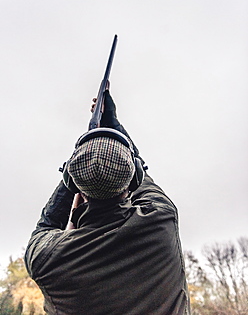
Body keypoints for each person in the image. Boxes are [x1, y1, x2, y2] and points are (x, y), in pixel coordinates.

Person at [25, 91, 191, 315]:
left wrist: (78, 163)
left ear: (71, 182)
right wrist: (113, 123)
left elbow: (47, 223)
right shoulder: (161, 220)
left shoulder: (46, 260)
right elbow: (140, 172)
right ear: (135, 177)